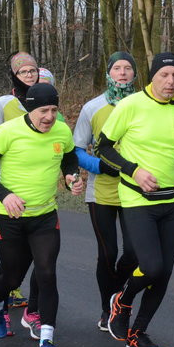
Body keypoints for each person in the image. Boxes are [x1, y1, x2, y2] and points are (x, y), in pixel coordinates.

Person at [96, 52, 174, 347]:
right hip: (137, 199)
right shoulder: (131, 106)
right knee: (151, 266)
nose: (171, 82)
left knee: (165, 273)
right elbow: (103, 148)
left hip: (173, 201)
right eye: (164, 76)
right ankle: (123, 300)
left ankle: (138, 332)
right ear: (151, 77)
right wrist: (133, 170)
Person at [0, 83, 83, 347]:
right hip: (9, 217)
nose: (49, 117)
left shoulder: (61, 130)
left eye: (54, 110)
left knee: (47, 273)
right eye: (43, 111)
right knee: (11, 277)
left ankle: (47, 342)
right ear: (30, 109)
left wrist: (71, 176)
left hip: (45, 215)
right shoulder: (9, 132)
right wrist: (5, 195)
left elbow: (69, 157)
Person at [73, 51, 140, 331]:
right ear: (108, 74)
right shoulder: (92, 107)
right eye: (117, 68)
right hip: (101, 191)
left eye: (127, 68)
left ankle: (117, 295)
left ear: (135, 74)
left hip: (136, 190)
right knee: (107, 252)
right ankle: (106, 310)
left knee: (135, 253)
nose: (122, 73)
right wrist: (100, 166)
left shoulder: (143, 105)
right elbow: (76, 150)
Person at [0, 52, 42, 314]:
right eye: (23, 72)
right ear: (14, 75)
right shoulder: (5, 103)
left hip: (37, 183)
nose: (29, 75)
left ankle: (10, 288)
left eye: (32, 71)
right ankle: (4, 292)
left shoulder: (46, 99)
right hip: (9, 184)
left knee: (30, 248)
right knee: (13, 248)